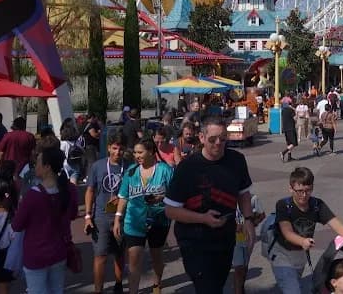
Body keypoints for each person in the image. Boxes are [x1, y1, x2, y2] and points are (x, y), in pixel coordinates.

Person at [164, 116, 255, 292]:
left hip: (225, 237)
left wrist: (249, 220)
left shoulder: (237, 160)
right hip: (194, 239)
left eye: (223, 138)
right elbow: (170, 210)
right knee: (207, 287)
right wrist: (203, 218)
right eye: (213, 139)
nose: (218, 143)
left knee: (217, 285)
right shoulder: (187, 168)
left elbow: (243, 193)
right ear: (202, 138)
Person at [269, 167, 343, 294]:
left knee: (293, 283)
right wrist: (302, 241)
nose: (304, 195)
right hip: (281, 253)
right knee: (293, 290)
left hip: (300, 254)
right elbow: (287, 232)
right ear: (291, 188)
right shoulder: (283, 205)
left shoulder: (317, 205)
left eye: (308, 190)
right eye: (299, 191)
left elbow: (335, 223)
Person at [11, 147, 78, 293]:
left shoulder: (32, 195)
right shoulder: (70, 190)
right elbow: (73, 214)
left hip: (36, 254)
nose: (35, 166)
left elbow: (17, 225)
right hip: (59, 251)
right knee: (56, 290)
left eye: (38, 162)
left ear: (47, 167)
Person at [113, 138, 173, 294]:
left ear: (151, 152)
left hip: (159, 220)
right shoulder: (131, 171)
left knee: (156, 256)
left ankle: (157, 284)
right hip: (134, 221)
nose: (136, 156)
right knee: (134, 260)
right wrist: (117, 219)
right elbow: (123, 196)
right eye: (135, 152)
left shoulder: (165, 170)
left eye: (140, 152)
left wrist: (161, 197)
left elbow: (175, 195)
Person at [83, 132, 128, 294]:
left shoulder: (129, 167)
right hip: (101, 217)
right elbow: (90, 190)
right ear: (108, 148)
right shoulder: (98, 166)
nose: (117, 152)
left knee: (119, 254)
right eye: (114, 148)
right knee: (100, 255)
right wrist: (88, 216)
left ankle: (118, 284)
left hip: (122, 217)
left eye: (121, 149)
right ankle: (98, 290)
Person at [232, 194, 265, 294]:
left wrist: (252, 223)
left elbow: (262, 215)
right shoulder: (228, 198)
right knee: (238, 267)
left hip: (247, 237)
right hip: (235, 237)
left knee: (244, 265)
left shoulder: (253, 198)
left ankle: (241, 287)